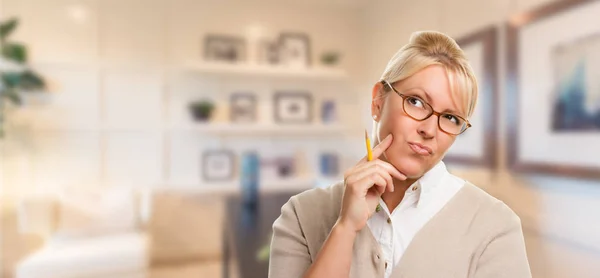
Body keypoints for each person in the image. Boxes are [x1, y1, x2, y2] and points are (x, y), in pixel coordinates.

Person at [268, 31, 531, 278]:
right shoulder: (301, 215)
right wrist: (345, 228)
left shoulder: (495, 227)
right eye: (416, 102)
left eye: (450, 117)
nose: (429, 130)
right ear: (377, 102)